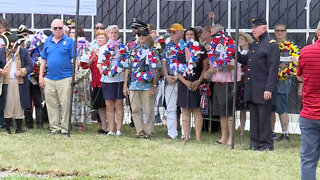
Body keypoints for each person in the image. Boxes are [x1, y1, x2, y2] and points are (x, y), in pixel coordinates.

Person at [238, 18, 280, 151]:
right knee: (255, 117)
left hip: (263, 88)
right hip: (253, 87)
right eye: (252, 27)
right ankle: (254, 143)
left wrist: (269, 88)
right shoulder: (255, 44)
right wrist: (235, 54)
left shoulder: (271, 44)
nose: (253, 30)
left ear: (264, 28)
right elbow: (249, 62)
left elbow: (273, 69)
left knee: (263, 118)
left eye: (256, 27)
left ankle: (266, 144)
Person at [123, 26, 161, 139]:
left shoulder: (152, 51)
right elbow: (127, 68)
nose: (141, 37)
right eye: (139, 35)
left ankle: (149, 132)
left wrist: (154, 85)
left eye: (144, 35)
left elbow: (156, 69)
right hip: (134, 84)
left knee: (148, 110)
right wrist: (125, 85)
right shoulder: (133, 50)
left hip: (147, 84)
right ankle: (139, 132)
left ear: (148, 37)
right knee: (135, 110)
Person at [39, 19, 76, 135]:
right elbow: (43, 60)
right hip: (49, 77)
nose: (58, 30)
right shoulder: (47, 42)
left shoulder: (69, 41)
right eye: (55, 28)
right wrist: (41, 76)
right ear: (52, 29)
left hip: (65, 77)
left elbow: (75, 60)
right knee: (51, 104)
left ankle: (65, 129)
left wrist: (74, 75)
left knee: (65, 104)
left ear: (63, 29)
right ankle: (54, 128)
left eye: (60, 28)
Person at [204, 25, 240, 145]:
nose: (213, 37)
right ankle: (223, 137)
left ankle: (231, 138)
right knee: (221, 113)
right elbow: (212, 62)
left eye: (214, 35)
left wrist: (216, 69)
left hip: (228, 82)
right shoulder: (213, 47)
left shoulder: (231, 45)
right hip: (217, 83)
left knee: (228, 112)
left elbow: (232, 65)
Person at [297, 21, 320, 180]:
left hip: (310, 114)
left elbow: (299, 77)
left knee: (308, 159)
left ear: (317, 33)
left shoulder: (306, 51)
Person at [175, 28, 208, 142]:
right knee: (185, 111)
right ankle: (186, 137)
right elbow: (176, 69)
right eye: (187, 34)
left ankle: (198, 138)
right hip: (184, 83)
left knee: (197, 111)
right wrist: (186, 82)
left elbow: (205, 68)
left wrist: (198, 81)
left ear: (195, 37)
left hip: (197, 82)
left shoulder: (201, 49)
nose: (189, 36)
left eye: (191, 34)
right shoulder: (179, 50)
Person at [0, 32, 33, 134]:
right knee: (7, 104)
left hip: (20, 82)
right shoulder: (1, 52)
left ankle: (19, 128)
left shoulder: (24, 52)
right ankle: (7, 128)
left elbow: (30, 66)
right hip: (6, 82)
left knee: (19, 104)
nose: (12, 50)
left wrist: (22, 71)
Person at [271, 23, 299, 141]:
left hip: (283, 82)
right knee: (270, 109)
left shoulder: (291, 47)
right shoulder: (271, 46)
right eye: (277, 31)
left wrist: (283, 67)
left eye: (282, 30)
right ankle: (270, 132)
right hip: (270, 82)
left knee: (282, 108)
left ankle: (285, 133)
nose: (280, 33)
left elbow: (295, 64)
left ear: (286, 31)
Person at [97, 25, 124, 136]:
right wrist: (104, 71)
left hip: (119, 79)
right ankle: (111, 129)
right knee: (109, 105)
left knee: (119, 105)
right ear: (107, 35)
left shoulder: (122, 48)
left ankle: (118, 129)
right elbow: (99, 64)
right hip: (107, 79)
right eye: (111, 33)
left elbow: (124, 63)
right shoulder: (103, 48)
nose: (113, 35)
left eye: (115, 33)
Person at [161, 23, 185, 139]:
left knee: (184, 108)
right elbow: (164, 62)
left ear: (181, 33)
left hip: (183, 81)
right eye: (170, 32)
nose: (171, 34)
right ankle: (172, 133)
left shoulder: (186, 46)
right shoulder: (168, 46)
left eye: (174, 32)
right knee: (170, 108)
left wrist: (181, 77)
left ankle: (185, 134)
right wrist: (166, 75)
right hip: (170, 79)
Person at [70, 26, 91, 132]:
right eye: (71, 33)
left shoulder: (85, 45)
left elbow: (86, 63)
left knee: (81, 101)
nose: (72, 34)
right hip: (69, 76)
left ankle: (81, 123)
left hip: (81, 78)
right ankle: (68, 121)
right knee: (69, 100)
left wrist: (78, 75)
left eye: (74, 32)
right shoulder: (68, 44)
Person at [89, 30, 108, 134]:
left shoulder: (108, 50)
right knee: (100, 105)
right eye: (98, 38)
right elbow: (87, 64)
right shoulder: (93, 51)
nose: (100, 40)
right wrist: (95, 55)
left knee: (108, 104)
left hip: (105, 81)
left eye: (102, 38)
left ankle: (110, 126)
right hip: (96, 82)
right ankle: (103, 126)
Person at [237, 32, 254, 136]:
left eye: (242, 39)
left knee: (251, 108)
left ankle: (253, 128)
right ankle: (242, 130)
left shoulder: (251, 53)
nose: (239, 40)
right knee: (242, 109)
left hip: (248, 83)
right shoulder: (238, 53)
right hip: (241, 82)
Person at [0, 19, 10, 129]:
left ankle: (6, 121)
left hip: (8, 73)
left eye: (1, 28)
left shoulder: (10, 40)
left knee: (6, 99)